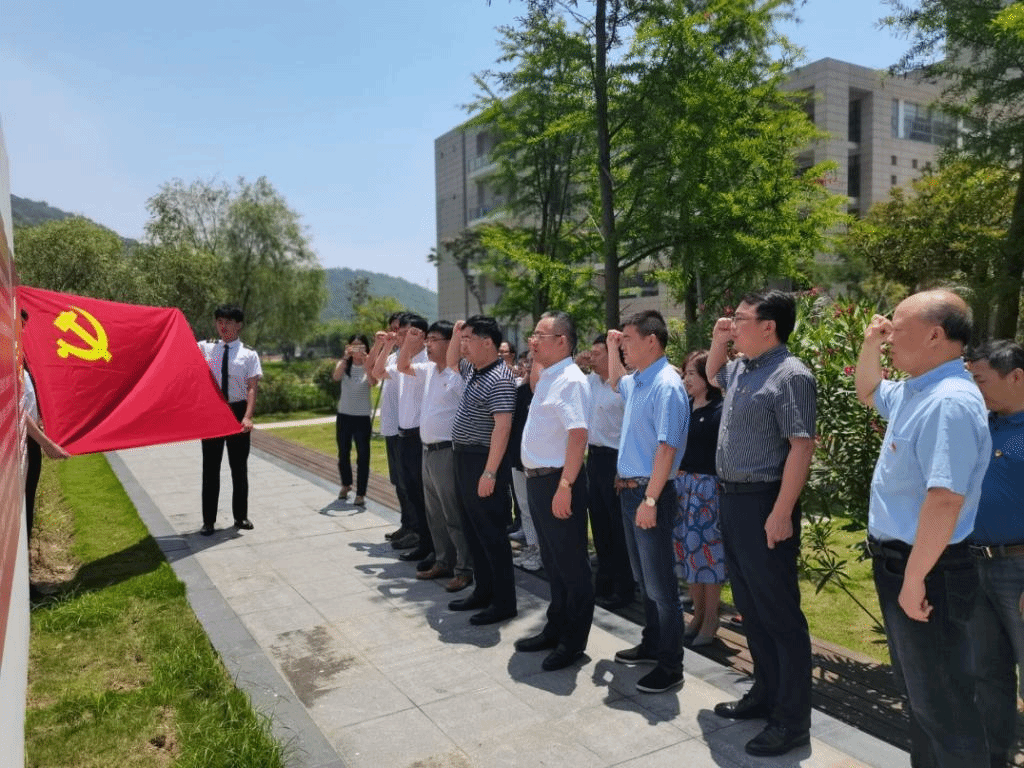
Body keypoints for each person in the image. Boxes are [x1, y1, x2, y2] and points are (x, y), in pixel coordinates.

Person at [854, 289, 990, 768]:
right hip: (908, 567)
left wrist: (914, 579)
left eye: (897, 328)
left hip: (928, 571)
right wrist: (869, 345)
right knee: (922, 699)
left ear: (935, 335)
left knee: (944, 708)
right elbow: (869, 390)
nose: (889, 336)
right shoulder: (918, 391)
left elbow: (945, 499)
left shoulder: (948, 402)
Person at [706, 290, 816, 758]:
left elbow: (801, 446)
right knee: (751, 607)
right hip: (732, 500)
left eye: (740, 319)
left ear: (769, 326)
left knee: (779, 614)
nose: (733, 325)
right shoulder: (742, 369)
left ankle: (791, 721)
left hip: (765, 501)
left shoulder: (791, 375)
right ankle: (765, 693)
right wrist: (718, 339)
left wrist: (781, 511)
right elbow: (712, 374)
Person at [606, 310, 688, 694]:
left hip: (649, 492)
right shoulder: (640, 381)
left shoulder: (666, 385)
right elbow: (614, 381)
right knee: (645, 579)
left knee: (661, 586)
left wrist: (651, 499)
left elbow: (667, 448)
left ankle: (671, 665)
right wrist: (611, 347)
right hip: (633, 491)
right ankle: (653, 643)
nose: (624, 346)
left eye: (628, 339)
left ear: (651, 340)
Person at [515, 311, 594, 671]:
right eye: (532, 335)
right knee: (553, 561)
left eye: (540, 336)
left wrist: (565, 486)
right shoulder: (550, 376)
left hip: (559, 480)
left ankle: (573, 642)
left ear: (562, 341)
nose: (532, 341)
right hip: (539, 480)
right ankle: (556, 627)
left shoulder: (571, 380)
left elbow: (578, 436)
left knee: (571, 565)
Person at [965, 339, 1024, 768]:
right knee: (986, 672)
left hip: (1019, 570)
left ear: (1016, 376)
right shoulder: (981, 425)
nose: (974, 388)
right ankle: (994, 758)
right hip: (976, 565)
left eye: (981, 380)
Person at [445, 315, 518, 626]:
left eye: (469, 339)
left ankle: (503, 602)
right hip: (464, 458)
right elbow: (451, 361)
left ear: (488, 343)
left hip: (483, 461)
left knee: (491, 534)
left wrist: (489, 473)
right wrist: (457, 331)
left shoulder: (499, 377)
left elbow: (502, 427)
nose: (463, 346)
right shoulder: (474, 370)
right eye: (462, 340)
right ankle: (483, 590)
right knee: (473, 530)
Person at [396, 320, 474, 592]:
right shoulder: (429, 370)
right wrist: (409, 343)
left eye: (434, 340)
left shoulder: (459, 373)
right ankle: (443, 560)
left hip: (447, 451)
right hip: (427, 451)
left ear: (450, 343)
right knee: (435, 513)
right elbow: (402, 366)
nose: (428, 345)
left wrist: (458, 335)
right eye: (426, 340)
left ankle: (464, 568)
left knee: (453, 513)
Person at [373, 313, 433, 567]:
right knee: (408, 488)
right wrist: (388, 345)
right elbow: (377, 372)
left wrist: (404, 345)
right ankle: (420, 538)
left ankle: (426, 541)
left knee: (422, 493)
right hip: (403, 432)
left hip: (420, 435)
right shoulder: (403, 359)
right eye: (401, 333)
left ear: (421, 336)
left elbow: (400, 367)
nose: (401, 337)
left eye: (408, 333)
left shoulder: (426, 361)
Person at [674, 350, 725, 647]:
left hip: (707, 490)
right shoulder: (686, 406)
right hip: (683, 487)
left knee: (707, 555)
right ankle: (697, 613)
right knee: (686, 552)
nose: (686, 379)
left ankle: (711, 618)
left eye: (692, 373)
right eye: (685, 373)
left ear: (707, 376)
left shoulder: (720, 409)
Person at [197, 305, 262, 535]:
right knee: (210, 468)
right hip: (212, 412)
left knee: (239, 468)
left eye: (228, 322)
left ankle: (240, 517)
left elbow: (252, 388)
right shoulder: (206, 348)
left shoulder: (249, 354)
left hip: (237, 411)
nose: (223, 326)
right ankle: (208, 521)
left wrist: (247, 416)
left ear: (239, 325)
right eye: (219, 322)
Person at [586, 333, 633, 609]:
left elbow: (630, 427)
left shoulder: (623, 385)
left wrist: (622, 468)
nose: (591, 358)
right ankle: (603, 582)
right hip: (594, 458)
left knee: (618, 529)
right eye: (590, 353)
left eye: (597, 353)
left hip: (616, 459)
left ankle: (623, 588)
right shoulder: (590, 381)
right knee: (600, 524)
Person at [365, 312, 416, 547]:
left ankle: (415, 528)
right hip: (391, 426)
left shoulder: (413, 359)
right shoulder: (393, 356)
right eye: (393, 329)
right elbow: (371, 372)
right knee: (398, 481)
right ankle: (406, 524)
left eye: (400, 330)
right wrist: (379, 344)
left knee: (409, 482)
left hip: (406, 427)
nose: (395, 334)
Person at [331, 334, 375, 506]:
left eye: (361, 346)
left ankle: (361, 493)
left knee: (363, 455)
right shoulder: (344, 364)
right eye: (354, 346)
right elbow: (336, 377)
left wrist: (366, 363)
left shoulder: (369, 364)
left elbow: (373, 382)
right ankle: (346, 484)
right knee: (343, 453)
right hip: (344, 415)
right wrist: (345, 357)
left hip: (362, 417)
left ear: (366, 348)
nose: (357, 349)